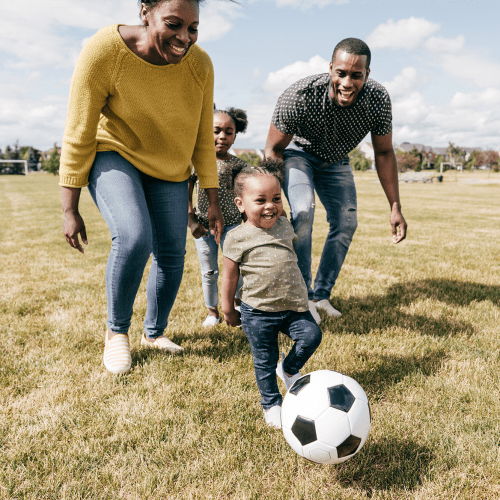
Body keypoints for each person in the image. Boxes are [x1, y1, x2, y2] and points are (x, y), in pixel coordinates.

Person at [59, 0, 232, 374]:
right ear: (145, 12)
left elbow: (203, 137)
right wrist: (69, 208)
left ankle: (153, 334)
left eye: (193, 28)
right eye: (173, 24)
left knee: (171, 254)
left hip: (169, 166)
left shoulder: (200, 65)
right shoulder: (104, 50)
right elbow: (79, 131)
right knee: (135, 236)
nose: (184, 38)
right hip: (114, 153)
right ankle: (116, 333)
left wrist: (212, 197)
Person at [265, 38, 407, 324]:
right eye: (341, 73)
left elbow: (383, 152)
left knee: (346, 222)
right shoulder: (301, 95)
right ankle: (302, 297)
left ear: (367, 74)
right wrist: (273, 199)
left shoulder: (377, 100)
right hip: (298, 154)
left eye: (356, 75)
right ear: (331, 69)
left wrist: (395, 206)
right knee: (303, 212)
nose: (347, 82)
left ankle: (321, 295)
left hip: (336, 159)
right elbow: (273, 149)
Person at [221, 160, 322, 429]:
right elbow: (229, 276)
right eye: (261, 200)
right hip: (257, 312)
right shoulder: (236, 237)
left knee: (312, 336)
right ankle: (271, 403)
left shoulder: (284, 224)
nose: (270, 206)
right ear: (240, 204)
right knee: (264, 360)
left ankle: (288, 368)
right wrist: (228, 308)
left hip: (293, 307)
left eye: (276, 198)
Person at [188, 107, 248, 327]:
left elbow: (247, 194)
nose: (222, 136)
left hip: (233, 226)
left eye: (228, 132)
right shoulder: (196, 162)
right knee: (209, 271)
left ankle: (237, 304)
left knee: (237, 268)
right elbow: (186, 191)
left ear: (235, 135)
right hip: (203, 229)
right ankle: (213, 311)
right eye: (216, 130)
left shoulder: (238, 165)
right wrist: (191, 221)